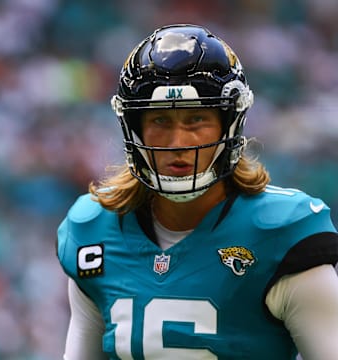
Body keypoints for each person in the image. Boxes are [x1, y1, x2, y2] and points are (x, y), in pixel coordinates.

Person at [56, 24, 338, 360]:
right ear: (135, 128)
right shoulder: (94, 230)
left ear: (228, 123)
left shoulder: (283, 234)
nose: (179, 143)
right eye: (160, 121)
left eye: (196, 120)